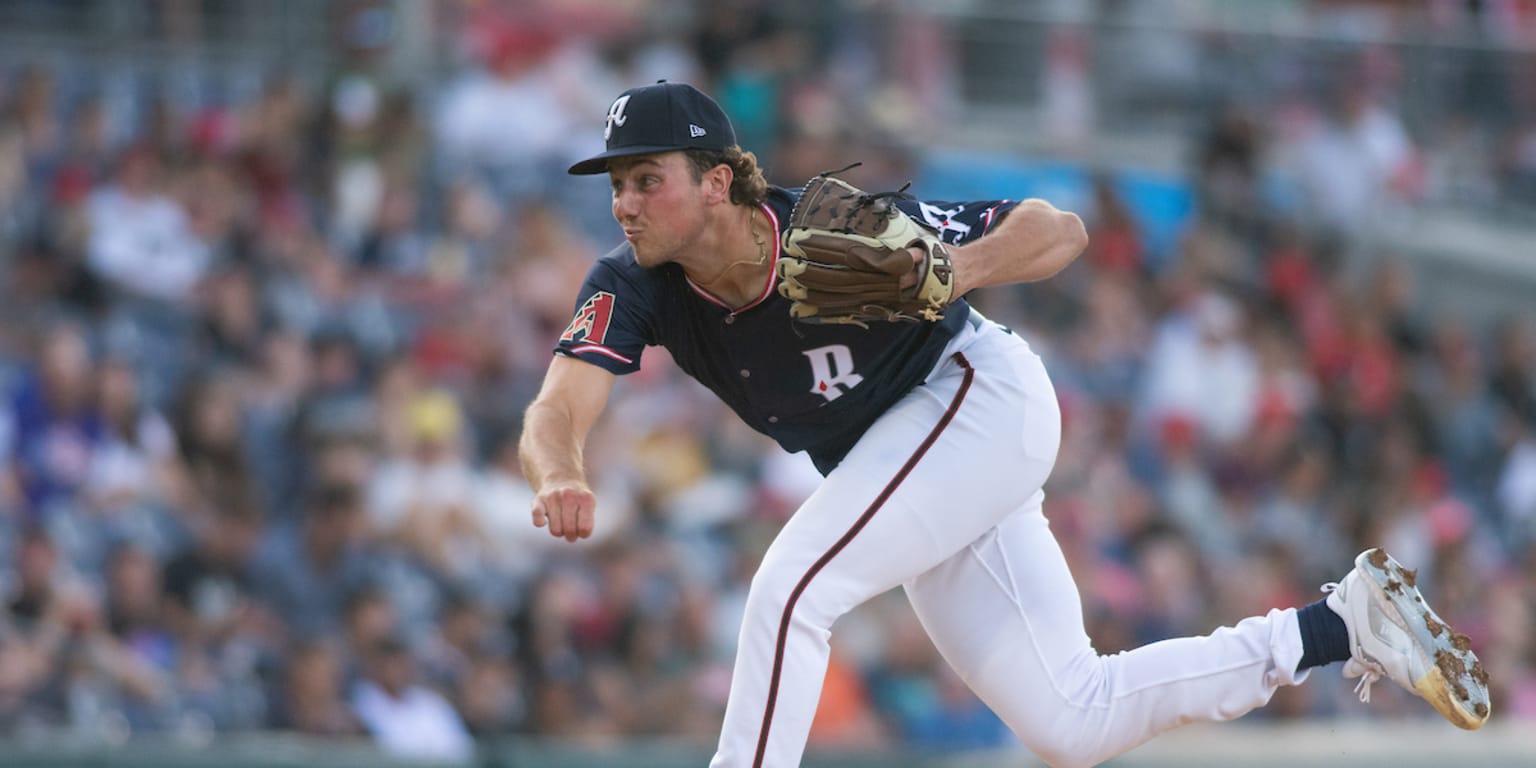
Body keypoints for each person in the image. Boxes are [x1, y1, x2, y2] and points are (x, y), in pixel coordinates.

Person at [516, 81, 1490, 768]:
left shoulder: (830, 226)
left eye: (648, 178)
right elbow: (561, 401)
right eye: (616, 182)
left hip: (974, 398)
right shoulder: (631, 284)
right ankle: (1337, 626)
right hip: (911, 470)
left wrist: (953, 268)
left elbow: (1057, 228)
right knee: (1070, 720)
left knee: (791, 590)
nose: (624, 201)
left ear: (718, 181)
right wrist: (559, 468)